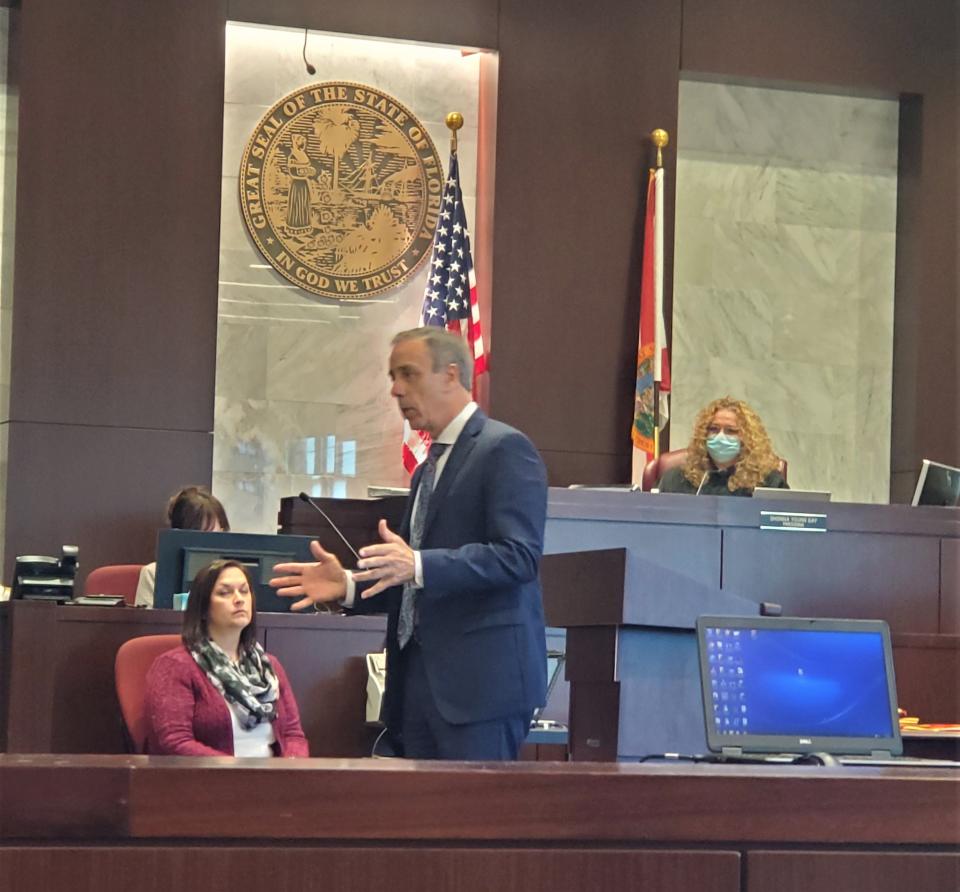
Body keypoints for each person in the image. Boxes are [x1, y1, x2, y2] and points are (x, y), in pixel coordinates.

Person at [270, 327, 549, 761]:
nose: (396, 390)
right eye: (392, 377)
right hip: (417, 690)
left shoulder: (505, 449)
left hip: (480, 691)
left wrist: (418, 564)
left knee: (469, 825)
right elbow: (413, 575)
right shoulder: (428, 468)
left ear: (450, 375)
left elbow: (519, 557)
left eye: (408, 374)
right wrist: (347, 586)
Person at [145, 559, 308, 757]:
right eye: (225, 593)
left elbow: (293, 734)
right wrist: (235, 773)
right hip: (210, 781)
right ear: (203, 609)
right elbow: (175, 741)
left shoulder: (269, 666)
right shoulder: (176, 666)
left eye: (244, 591)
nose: (239, 599)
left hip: (273, 780)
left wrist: (292, 769)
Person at [657, 396, 788, 496]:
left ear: (748, 438)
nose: (720, 436)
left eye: (731, 431)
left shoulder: (769, 483)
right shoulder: (675, 479)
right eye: (713, 429)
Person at [135, 486, 230, 607]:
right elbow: (147, 623)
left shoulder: (234, 575)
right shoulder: (154, 574)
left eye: (217, 533)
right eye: (201, 534)